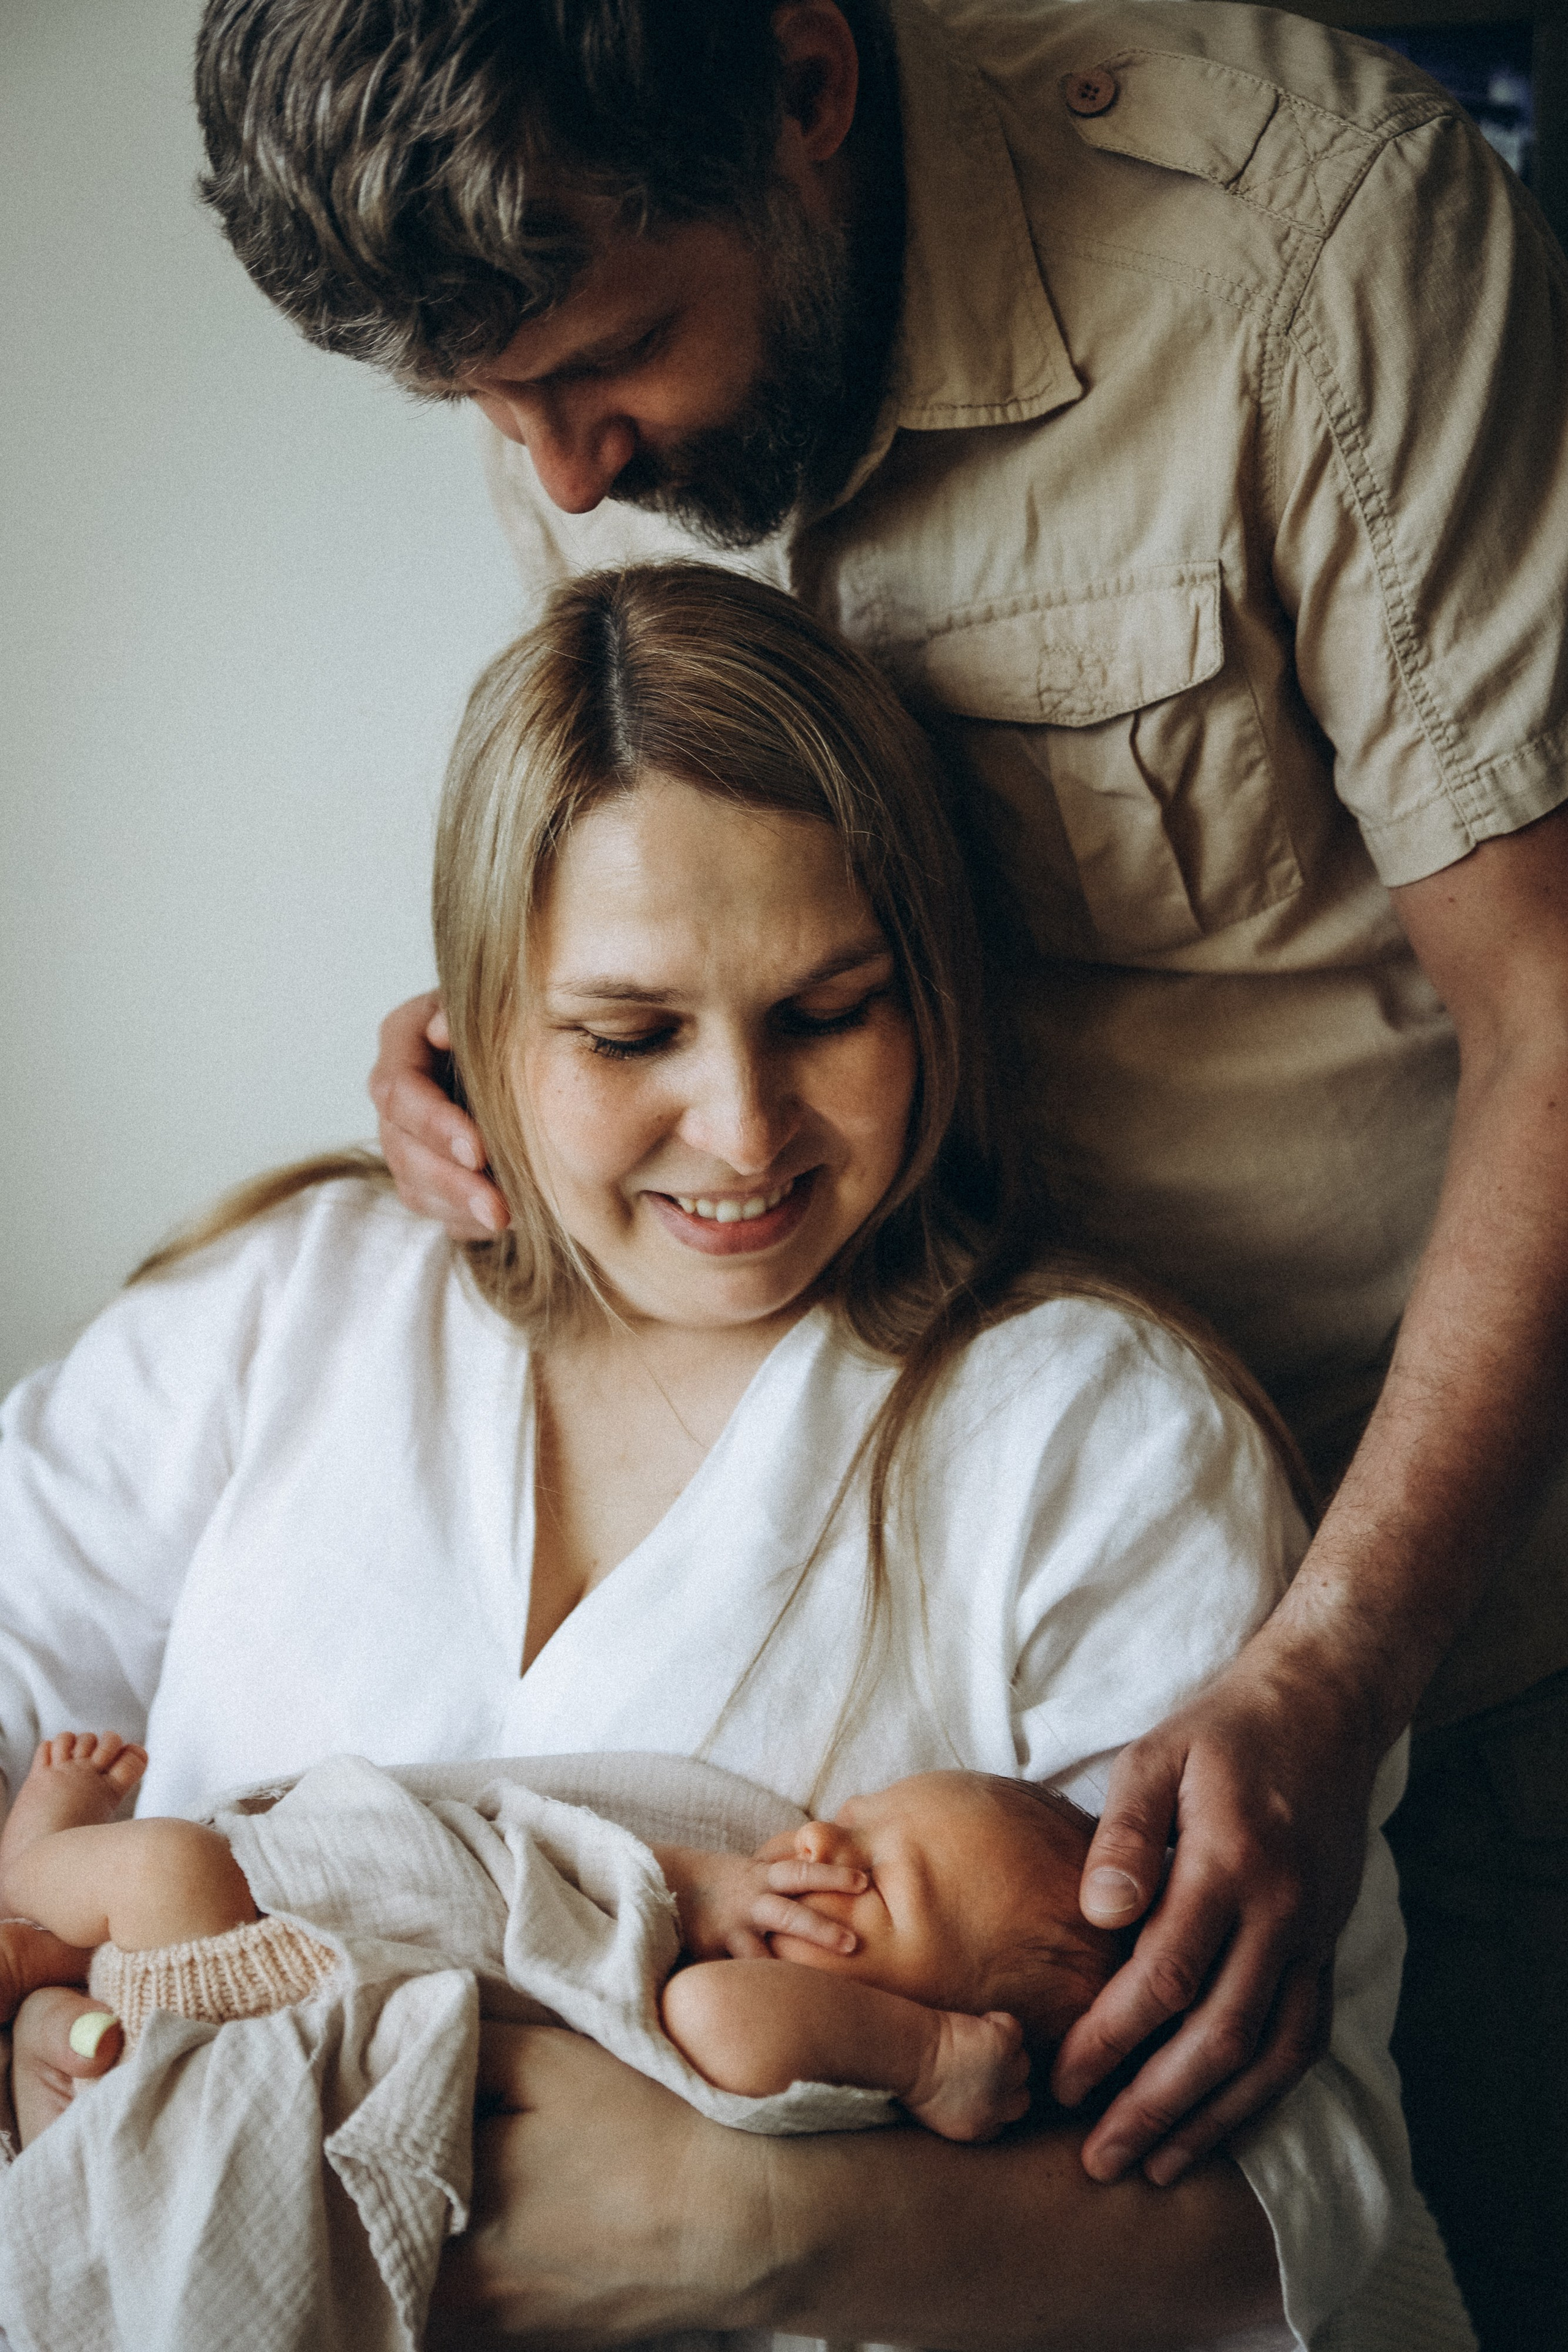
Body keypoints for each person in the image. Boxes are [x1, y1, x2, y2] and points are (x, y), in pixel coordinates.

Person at [188, 2, 1568, 2332]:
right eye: (492, 412)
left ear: (807, 91)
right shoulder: (579, 359)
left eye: (601, 365)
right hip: (903, 1635)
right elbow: (676, 835)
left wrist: (1337, 1664)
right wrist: (521, 1031)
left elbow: (1559, 1003)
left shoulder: (1316, 250)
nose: (567, 473)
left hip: (1415, 1611)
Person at [0, 566, 1468, 2346]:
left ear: (929, 992)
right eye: (628, 1036)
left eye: (829, 1012)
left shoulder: (1096, 1445)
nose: (743, 1129)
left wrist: (742, 2218)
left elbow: (1290, 2196)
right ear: (479, 1014)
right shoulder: (283, 1314)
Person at [0, 1735, 1134, 2149]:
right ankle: (41, 1892)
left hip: (274, 2034)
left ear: (941, 2011)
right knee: (170, 1871)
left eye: (880, 1878)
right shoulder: (734, 1926)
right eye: (860, 1812)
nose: (822, 1837)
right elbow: (595, 1854)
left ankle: (31, 1861)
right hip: (266, 1962)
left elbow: (712, 2020)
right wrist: (709, 1883)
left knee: (165, 1867)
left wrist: (925, 2061)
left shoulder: (833, 2067)